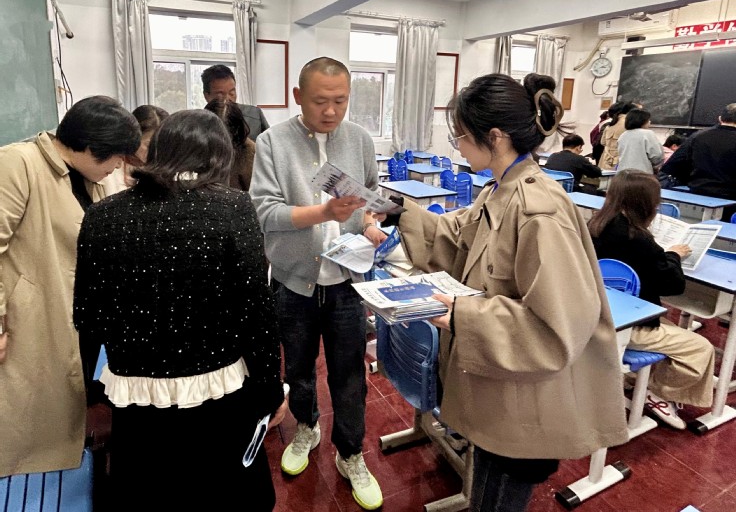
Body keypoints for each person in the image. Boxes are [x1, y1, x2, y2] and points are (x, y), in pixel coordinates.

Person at [373, 73, 629, 512]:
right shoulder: (501, 189)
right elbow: (458, 236)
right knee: (488, 488)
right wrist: (398, 214)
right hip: (501, 382)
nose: (458, 147)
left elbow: (557, 326)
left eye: (461, 136)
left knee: (497, 497)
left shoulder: (539, 211)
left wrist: (461, 315)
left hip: (526, 396)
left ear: (494, 137)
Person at [73, 109, 287, 511]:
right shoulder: (233, 207)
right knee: (225, 496)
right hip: (219, 393)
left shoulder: (100, 216)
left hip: (135, 398)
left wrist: (90, 391)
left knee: (150, 495)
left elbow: (88, 316)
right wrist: (271, 391)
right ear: (219, 158)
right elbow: (255, 312)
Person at [250, 57, 386, 511]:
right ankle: (307, 428)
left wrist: (370, 224)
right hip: (294, 282)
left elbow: (369, 200)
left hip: (347, 281)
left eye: (340, 101)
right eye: (320, 101)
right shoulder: (272, 142)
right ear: (298, 97)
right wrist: (323, 213)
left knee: (349, 375)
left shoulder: (359, 139)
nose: (331, 111)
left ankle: (350, 453)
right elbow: (263, 211)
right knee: (299, 369)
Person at [0, 95, 140, 478]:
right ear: (92, 147)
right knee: (26, 414)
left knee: (66, 397)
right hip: (34, 311)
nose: (118, 167)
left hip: (77, 313)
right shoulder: (18, 164)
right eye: (116, 157)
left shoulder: (88, 178)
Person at [588, 169, 715, 429]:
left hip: (598, 315)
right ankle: (657, 393)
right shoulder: (638, 239)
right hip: (628, 326)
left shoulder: (595, 226)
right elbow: (672, 285)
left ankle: (639, 381)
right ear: (647, 204)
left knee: (674, 332)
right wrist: (673, 255)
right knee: (702, 349)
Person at [662, 103, 736, 221]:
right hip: (731, 203)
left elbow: (672, 166)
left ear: (720, 118)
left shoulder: (697, 136)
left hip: (697, 198)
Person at [100, 104, 169, 194]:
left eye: (161, 146)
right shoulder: (110, 167)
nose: (156, 152)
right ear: (133, 137)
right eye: (149, 145)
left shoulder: (167, 168)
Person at [201, 64, 270, 141]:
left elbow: (270, 143)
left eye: (232, 93)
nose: (227, 99)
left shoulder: (254, 114)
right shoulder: (198, 122)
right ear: (206, 96)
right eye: (220, 94)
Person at [205, 98, 257, 191]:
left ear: (236, 132)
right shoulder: (197, 148)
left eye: (226, 134)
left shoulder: (250, 152)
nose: (221, 141)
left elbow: (255, 193)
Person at [616, 108, 664, 174]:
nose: (650, 122)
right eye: (648, 120)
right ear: (642, 121)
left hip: (623, 173)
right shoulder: (648, 134)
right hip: (642, 174)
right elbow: (656, 156)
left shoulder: (623, 135)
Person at [599, 101, 638, 170]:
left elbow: (602, 142)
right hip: (621, 163)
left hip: (606, 161)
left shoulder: (609, 124)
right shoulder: (630, 125)